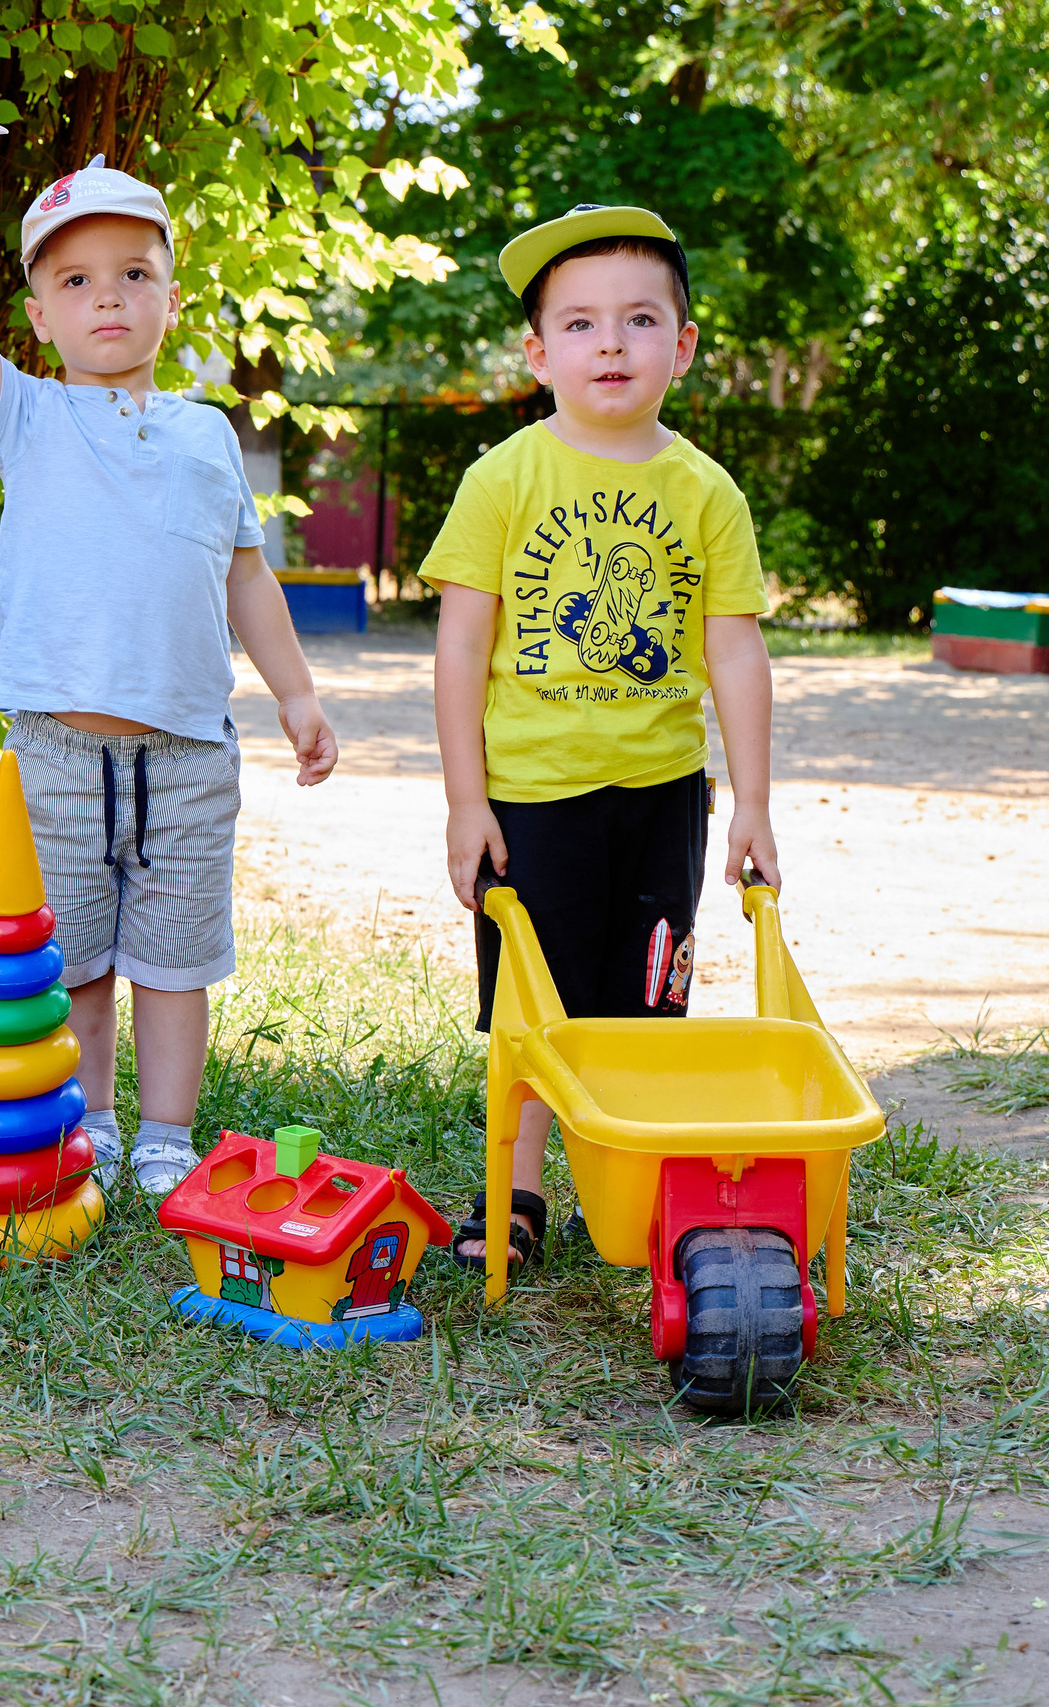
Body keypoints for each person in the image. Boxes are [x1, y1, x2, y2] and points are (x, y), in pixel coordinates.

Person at [0, 133, 338, 1200]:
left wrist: (296, 693)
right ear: (38, 315)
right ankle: (95, 1119)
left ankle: (167, 1132)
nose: (105, 299)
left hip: (189, 757)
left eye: (132, 275)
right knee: (72, 964)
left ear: (170, 299)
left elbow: (245, 577)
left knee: (171, 963)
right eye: (74, 281)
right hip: (56, 759)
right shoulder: (26, 416)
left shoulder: (207, 436)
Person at [420, 204, 777, 1271]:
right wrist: (464, 800)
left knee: (646, 1003)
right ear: (537, 354)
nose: (609, 343)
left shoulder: (705, 491)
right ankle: (516, 1192)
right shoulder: (503, 480)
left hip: (663, 792)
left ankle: (643, 1185)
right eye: (577, 325)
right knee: (534, 1005)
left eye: (637, 319)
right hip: (531, 795)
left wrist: (750, 801)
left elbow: (736, 652)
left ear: (684, 344)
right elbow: (457, 648)